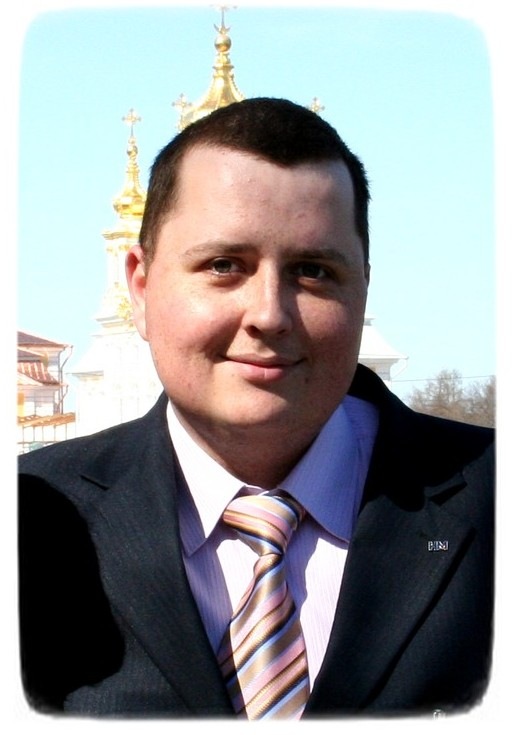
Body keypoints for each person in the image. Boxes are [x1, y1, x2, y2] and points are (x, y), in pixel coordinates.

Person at [18, 97, 494, 719]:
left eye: (313, 271)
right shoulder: (28, 528)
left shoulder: (494, 503)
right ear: (139, 287)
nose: (269, 315)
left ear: (363, 287)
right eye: (223, 266)